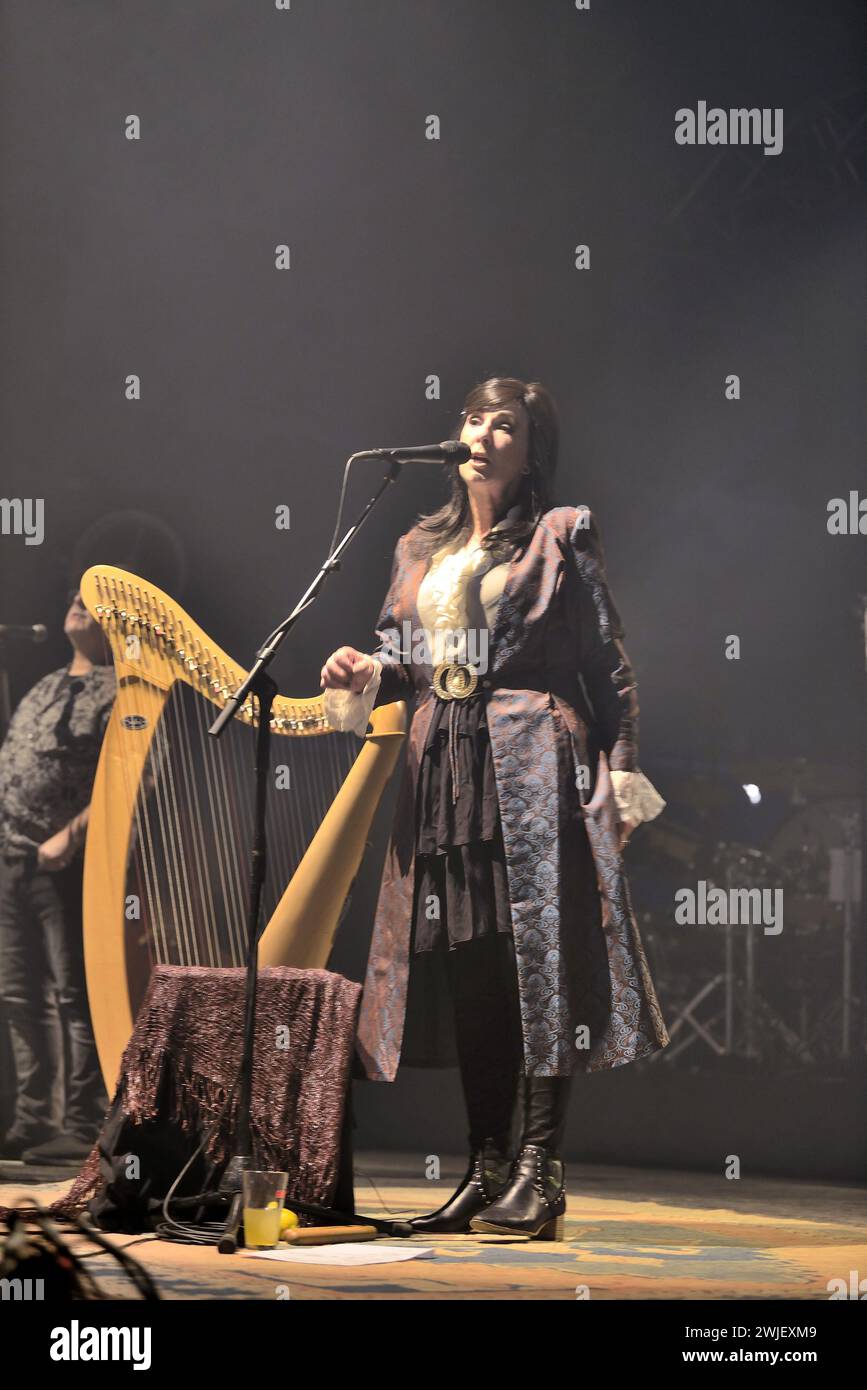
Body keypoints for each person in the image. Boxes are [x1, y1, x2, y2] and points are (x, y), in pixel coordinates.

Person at [321, 377, 669, 1238]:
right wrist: (364, 673)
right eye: (472, 418)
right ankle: (483, 1167)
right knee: (473, 964)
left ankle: (540, 1174)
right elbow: (410, 660)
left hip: (531, 756)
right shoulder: (416, 546)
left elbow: (610, 670)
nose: (481, 434)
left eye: (503, 425)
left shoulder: (559, 534)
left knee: (536, 964)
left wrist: (619, 778)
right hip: (445, 765)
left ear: (529, 449)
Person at [0, 587, 115, 1164]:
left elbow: (130, 779)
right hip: (12, 855)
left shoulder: (121, 688)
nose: (77, 602)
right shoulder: (46, 684)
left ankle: (83, 1120)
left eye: (91, 599)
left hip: (69, 861)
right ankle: (33, 1118)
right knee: (19, 994)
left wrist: (70, 837)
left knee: (74, 993)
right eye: (72, 596)